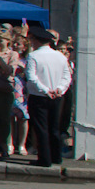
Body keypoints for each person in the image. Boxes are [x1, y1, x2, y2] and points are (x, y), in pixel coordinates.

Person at [24, 25, 73, 166]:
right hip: (57, 96)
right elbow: (67, 77)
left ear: (36, 40)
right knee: (54, 128)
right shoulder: (60, 56)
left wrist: (45, 90)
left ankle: (44, 159)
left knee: (41, 128)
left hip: (39, 96)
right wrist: (59, 89)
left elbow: (31, 77)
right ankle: (56, 157)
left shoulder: (33, 56)